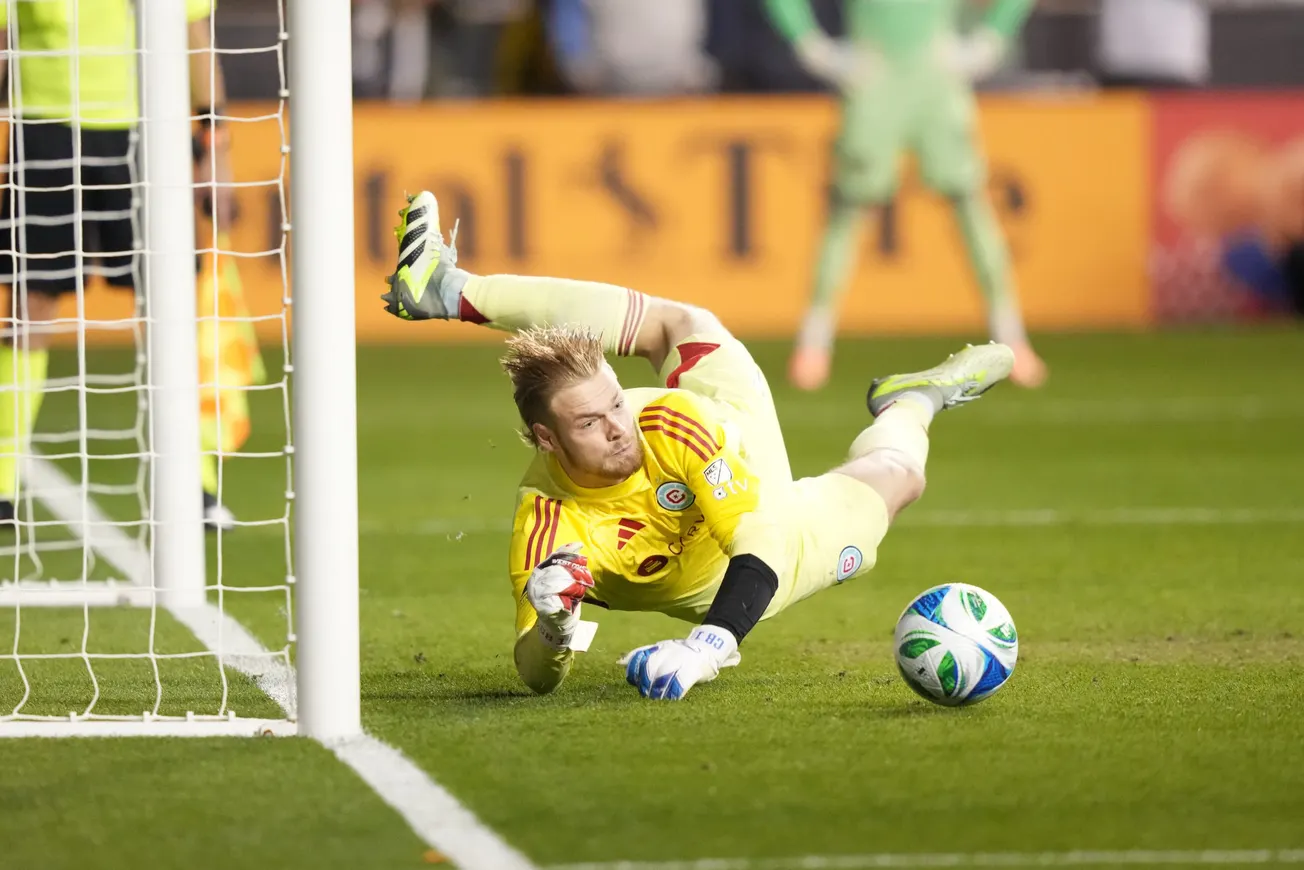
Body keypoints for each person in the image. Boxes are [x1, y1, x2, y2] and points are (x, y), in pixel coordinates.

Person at [381, 191, 1015, 701]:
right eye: (589, 423)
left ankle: (451, 289)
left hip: (744, 484)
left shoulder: (667, 420)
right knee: (897, 475)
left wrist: (706, 648)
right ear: (547, 439)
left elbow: (761, 539)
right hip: (730, 560)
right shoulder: (548, 523)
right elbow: (535, 675)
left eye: (615, 403)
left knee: (686, 325)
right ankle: (914, 399)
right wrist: (553, 627)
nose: (617, 425)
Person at [0, 0, 233, 529]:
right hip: (46, 132)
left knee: (171, 305)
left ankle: (193, 482)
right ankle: (1, 484)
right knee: (29, 309)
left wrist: (216, 145)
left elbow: (196, 33)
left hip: (149, 129)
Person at [763, 0, 1046, 392]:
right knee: (846, 212)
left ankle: (1012, 336)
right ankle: (814, 342)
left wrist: (993, 37)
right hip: (875, 76)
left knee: (970, 203)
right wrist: (810, 45)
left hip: (935, 77)